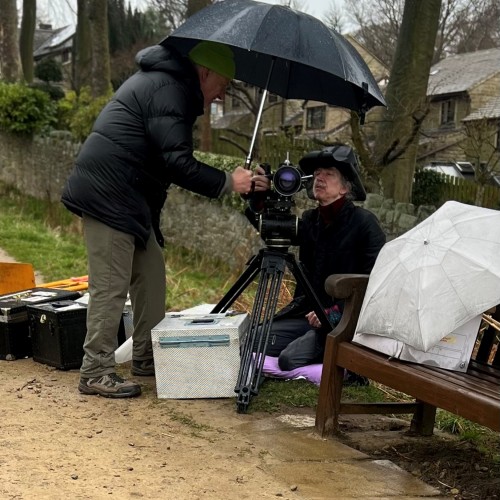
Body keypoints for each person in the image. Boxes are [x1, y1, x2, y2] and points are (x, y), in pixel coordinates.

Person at [61, 40, 267, 398]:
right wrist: (227, 181)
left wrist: (232, 180)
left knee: (151, 274)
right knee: (111, 286)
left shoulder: (173, 89)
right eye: (223, 85)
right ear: (204, 72)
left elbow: (163, 160)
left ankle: (145, 356)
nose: (221, 95)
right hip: (108, 194)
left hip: (132, 199)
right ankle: (95, 369)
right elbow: (177, 161)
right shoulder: (169, 89)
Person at [257, 144, 386, 377]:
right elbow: (273, 230)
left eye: (329, 174)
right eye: (316, 174)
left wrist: (333, 313)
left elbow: (375, 285)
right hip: (307, 315)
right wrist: (259, 198)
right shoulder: (310, 220)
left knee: (288, 358)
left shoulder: (364, 224)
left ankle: (349, 370)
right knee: (252, 338)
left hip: (342, 321)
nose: (320, 178)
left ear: (345, 188)